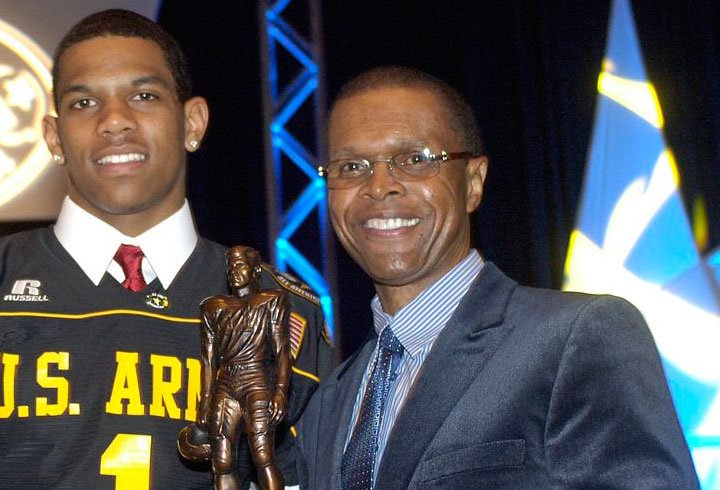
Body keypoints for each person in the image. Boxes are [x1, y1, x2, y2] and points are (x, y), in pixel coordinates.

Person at [0, 9, 332, 489]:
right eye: (84, 103)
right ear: (53, 137)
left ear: (193, 123)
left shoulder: (289, 309)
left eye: (143, 96)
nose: (115, 121)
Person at [298, 66, 699, 489]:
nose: (378, 187)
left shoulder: (575, 337)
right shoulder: (330, 399)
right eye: (351, 166)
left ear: (474, 182)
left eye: (414, 160)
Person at [181, 246, 292, 490]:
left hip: (257, 379)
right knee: (222, 461)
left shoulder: (271, 300)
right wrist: (204, 404)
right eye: (231, 266)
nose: (234, 271)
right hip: (226, 383)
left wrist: (281, 391)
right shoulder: (214, 307)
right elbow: (208, 360)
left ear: (255, 271)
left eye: (240, 265)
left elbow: (283, 351)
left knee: (263, 455)